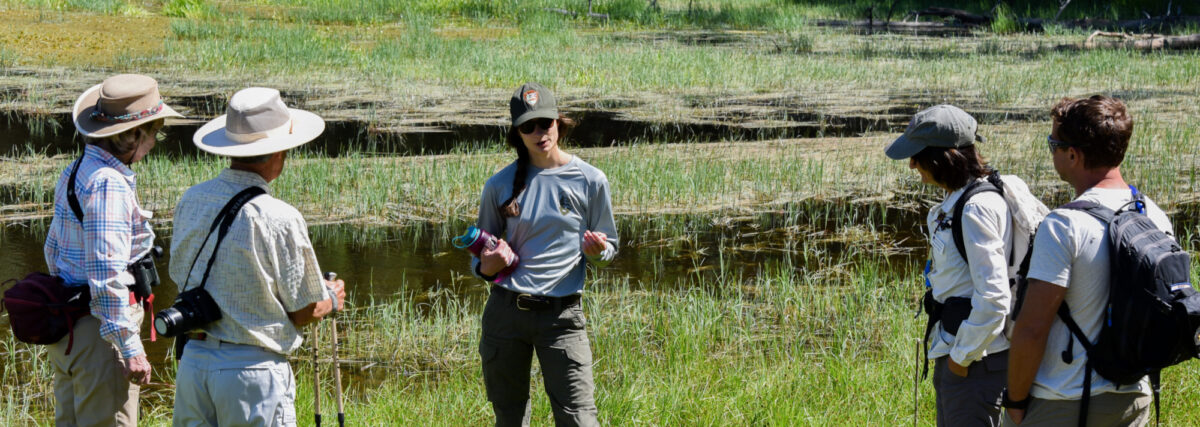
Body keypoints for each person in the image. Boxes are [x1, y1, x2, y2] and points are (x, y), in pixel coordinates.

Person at [168, 87, 345, 426]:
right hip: (251, 375)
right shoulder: (278, 215)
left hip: (194, 362)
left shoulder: (191, 199)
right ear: (278, 152)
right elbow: (304, 310)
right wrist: (331, 301)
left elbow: (184, 275)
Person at [1003, 95, 1163, 426]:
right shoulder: (1153, 214)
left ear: (1072, 154)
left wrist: (1015, 400)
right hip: (1134, 395)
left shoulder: (1064, 225)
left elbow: (1032, 330)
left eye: (1053, 144)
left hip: (1064, 400)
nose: (1052, 152)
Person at [470, 82, 618, 426]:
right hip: (505, 314)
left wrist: (597, 252)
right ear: (517, 133)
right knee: (509, 419)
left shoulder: (591, 180)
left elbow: (609, 247)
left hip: (562, 318)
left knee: (579, 419)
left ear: (559, 123)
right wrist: (488, 266)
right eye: (528, 127)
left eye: (546, 123)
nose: (539, 132)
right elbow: (480, 258)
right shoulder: (499, 185)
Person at [43, 74, 182, 426]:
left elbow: (52, 250)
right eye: (154, 132)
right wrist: (130, 348)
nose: (154, 142)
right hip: (100, 339)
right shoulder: (109, 184)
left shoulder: (76, 170)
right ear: (130, 135)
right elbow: (105, 276)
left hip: (70, 331)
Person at [885, 105, 1012, 426]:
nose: (912, 164)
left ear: (945, 157)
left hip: (976, 362)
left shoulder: (975, 209)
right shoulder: (961, 201)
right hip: (961, 353)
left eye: (918, 156)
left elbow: (995, 298)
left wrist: (960, 357)